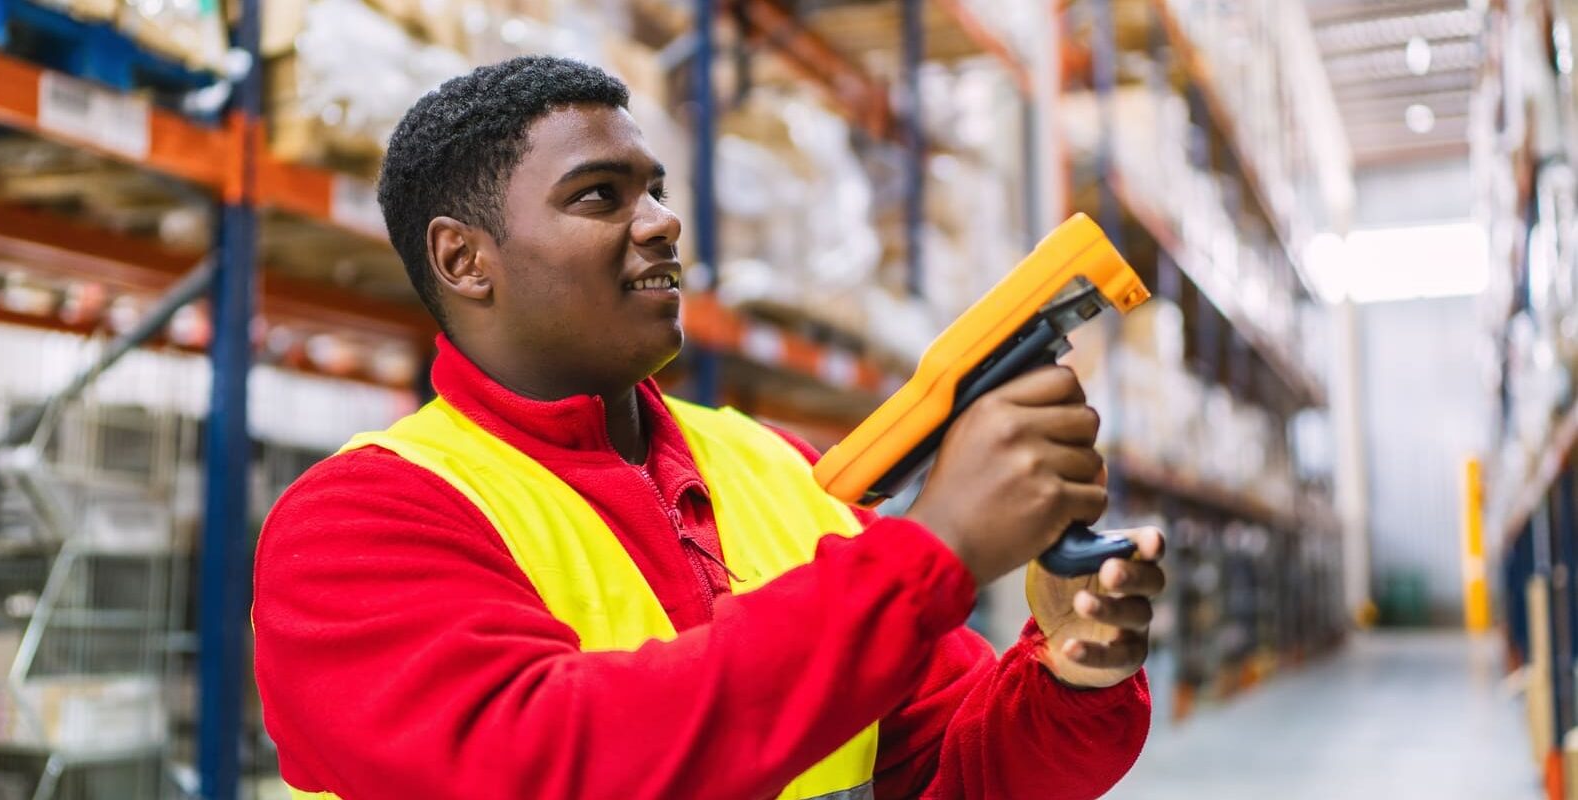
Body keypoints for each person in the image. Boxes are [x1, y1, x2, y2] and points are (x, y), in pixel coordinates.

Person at [252, 55, 1165, 800]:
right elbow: (555, 765)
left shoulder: (780, 469)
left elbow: (950, 769)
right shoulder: (355, 523)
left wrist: (1071, 675)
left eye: (654, 190)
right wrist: (940, 542)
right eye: (600, 197)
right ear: (464, 258)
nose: (663, 221)